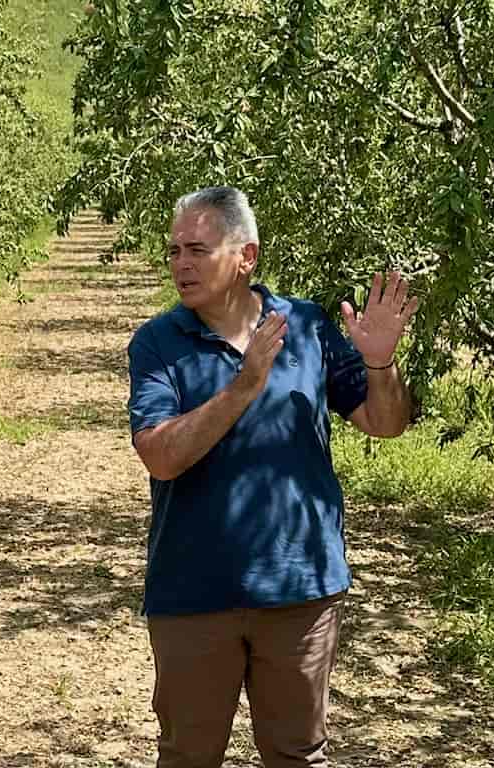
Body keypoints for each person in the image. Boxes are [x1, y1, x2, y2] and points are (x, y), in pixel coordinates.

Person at [127, 186, 418, 767]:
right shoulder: (158, 343)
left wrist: (381, 364)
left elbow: (385, 423)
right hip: (193, 593)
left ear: (246, 257)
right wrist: (243, 385)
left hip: (300, 589)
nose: (181, 263)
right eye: (174, 251)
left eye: (197, 250)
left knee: (298, 755)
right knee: (187, 756)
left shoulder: (306, 326)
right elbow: (160, 456)